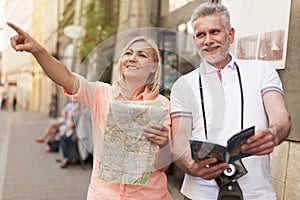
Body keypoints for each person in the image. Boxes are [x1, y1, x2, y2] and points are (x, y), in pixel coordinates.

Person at [8, 21, 172, 199]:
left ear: (154, 66)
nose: (132, 58)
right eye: (128, 53)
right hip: (103, 195)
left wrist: (165, 145)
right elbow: (66, 77)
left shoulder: (162, 105)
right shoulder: (101, 93)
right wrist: (37, 49)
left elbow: (162, 166)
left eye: (142, 55)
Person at [170, 2, 291, 200]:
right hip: (199, 193)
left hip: (257, 194)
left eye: (215, 32)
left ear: (231, 34)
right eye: (201, 35)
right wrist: (191, 166)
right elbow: (180, 140)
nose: (208, 40)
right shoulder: (183, 85)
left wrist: (274, 133)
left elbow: (280, 116)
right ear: (195, 40)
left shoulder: (262, 70)